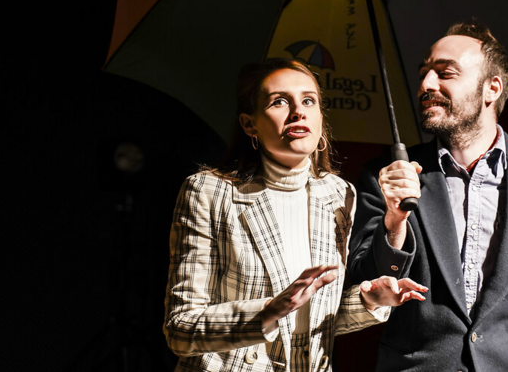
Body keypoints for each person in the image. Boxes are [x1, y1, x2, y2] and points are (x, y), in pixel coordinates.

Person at [348, 21, 508, 371]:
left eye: (445, 73)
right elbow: (364, 282)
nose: (426, 84)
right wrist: (394, 221)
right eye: (424, 73)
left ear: (491, 88)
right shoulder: (388, 175)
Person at [163, 58, 427, 372]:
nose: (298, 111)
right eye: (279, 102)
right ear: (250, 124)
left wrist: (369, 300)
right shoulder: (208, 192)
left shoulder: (339, 195)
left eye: (308, 100)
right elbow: (180, 328)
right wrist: (268, 311)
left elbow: (315, 319)